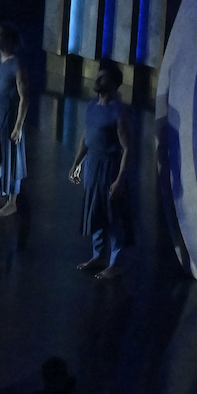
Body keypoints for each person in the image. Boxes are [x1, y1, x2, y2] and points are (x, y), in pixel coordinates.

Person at [71, 65, 132, 278]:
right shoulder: (91, 106)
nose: (97, 80)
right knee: (96, 211)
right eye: (98, 77)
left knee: (113, 215)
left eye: (103, 78)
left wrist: (120, 180)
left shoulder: (118, 112)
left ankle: (116, 263)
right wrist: (77, 163)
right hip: (92, 166)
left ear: (114, 84)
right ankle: (99, 256)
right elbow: (86, 137)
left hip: (109, 167)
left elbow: (128, 148)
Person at [0, 23, 31, 218]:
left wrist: (18, 126)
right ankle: (0, 195)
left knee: (11, 156)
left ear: (8, 39)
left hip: (8, 114)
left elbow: (24, 97)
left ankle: (12, 201)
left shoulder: (17, 65)